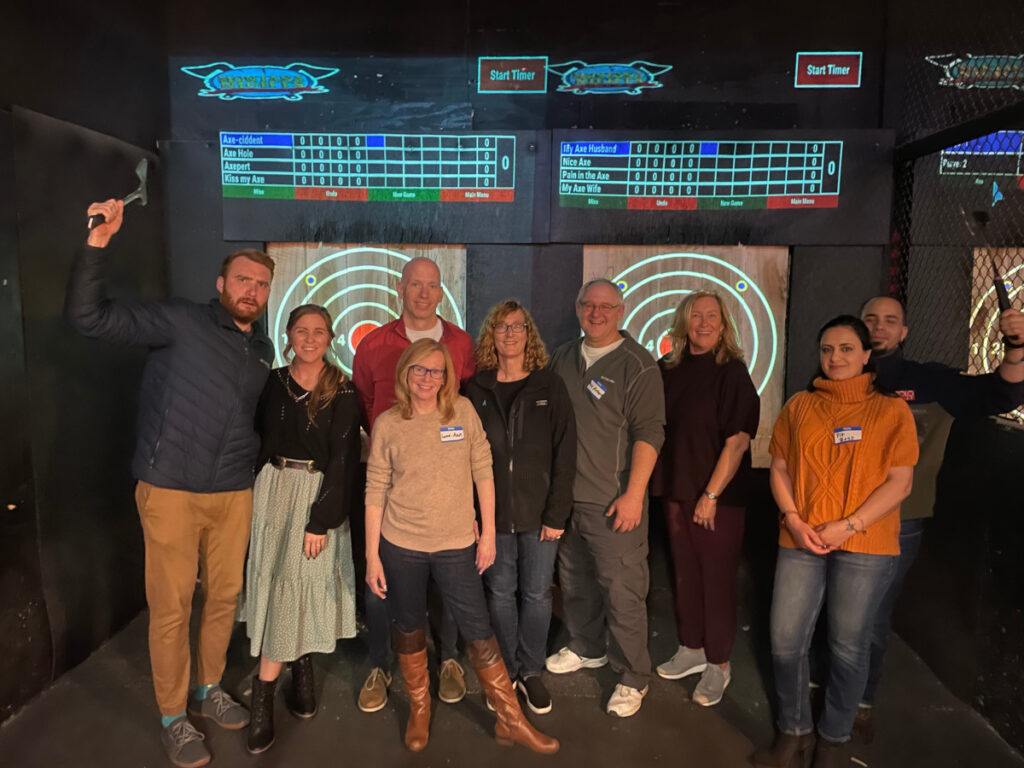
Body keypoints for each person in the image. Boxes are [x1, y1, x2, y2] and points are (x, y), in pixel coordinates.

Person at [65, 199, 274, 768]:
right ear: (221, 283)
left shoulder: (262, 349)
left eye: (261, 284)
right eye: (242, 280)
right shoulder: (180, 319)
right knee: (172, 607)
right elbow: (90, 318)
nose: (251, 290)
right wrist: (98, 244)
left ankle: (208, 690)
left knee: (224, 599)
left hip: (232, 492)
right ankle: (173, 717)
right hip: (171, 490)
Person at [364, 339, 559, 754]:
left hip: (456, 543)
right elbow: (375, 490)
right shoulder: (388, 423)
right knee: (409, 625)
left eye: (436, 371)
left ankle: (511, 718)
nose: (428, 378)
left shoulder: (463, 412)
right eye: (420, 369)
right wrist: (371, 555)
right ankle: (420, 708)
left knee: (479, 629)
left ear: (447, 377)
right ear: (405, 372)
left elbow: (483, 471)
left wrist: (487, 532)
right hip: (401, 545)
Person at [848, 296, 1024, 740]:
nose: (879, 327)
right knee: (834, 608)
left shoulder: (930, 381)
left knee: (871, 615)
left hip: (899, 519)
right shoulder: (840, 372)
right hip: (837, 515)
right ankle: (827, 689)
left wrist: (1017, 345)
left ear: (904, 332)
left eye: (890, 321)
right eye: (871, 319)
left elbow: (1002, 392)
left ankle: (859, 702)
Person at [753, 316, 918, 768]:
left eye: (847, 349)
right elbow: (780, 469)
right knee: (785, 641)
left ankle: (834, 741)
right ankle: (794, 734)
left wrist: (848, 524)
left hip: (865, 543)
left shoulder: (891, 411)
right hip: (800, 537)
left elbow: (900, 483)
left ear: (867, 354)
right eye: (827, 349)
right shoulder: (800, 405)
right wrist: (793, 518)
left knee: (848, 646)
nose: (835, 358)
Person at [351, 257, 475, 712]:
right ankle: (380, 665)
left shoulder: (462, 344)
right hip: (392, 489)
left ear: (442, 293)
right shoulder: (373, 344)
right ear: (399, 289)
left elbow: (464, 408)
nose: (423, 293)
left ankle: (451, 662)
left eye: (432, 286)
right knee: (381, 583)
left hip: (446, 490)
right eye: (415, 285)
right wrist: (394, 445)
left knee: (448, 583)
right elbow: (365, 398)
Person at [242, 304, 362, 754]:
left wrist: (320, 520)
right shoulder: (271, 382)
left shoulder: (343, 389)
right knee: (278, 586)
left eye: (318, 331)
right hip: (272, 491)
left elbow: (343, 459)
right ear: (288, 335)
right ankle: (302, 668)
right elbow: (254, 437)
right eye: (301, 331)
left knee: (297, 584)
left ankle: (263, 696)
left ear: (330, 337)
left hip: (315, 496)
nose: (309, 339)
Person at [546, 279, 666, 718]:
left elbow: (650, 432)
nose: (596, 313)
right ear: (578, 309)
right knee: (575, 582)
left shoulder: (638, 364)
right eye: (588, 305)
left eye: (605, 307)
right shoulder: (563, 356)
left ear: (621, 310)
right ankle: (586, 646)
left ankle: (634, 676)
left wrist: (634, 494)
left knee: (623, 593)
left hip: (614, 501)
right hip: (567, 500)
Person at [464, 300, 577, 715]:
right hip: (493, 517)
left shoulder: (550, 386)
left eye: (517, 327)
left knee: (536, 594)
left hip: (539, 515)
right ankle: (507, 671)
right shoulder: (475, 389)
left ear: (529, 335)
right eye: (501, 327)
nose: (509, 334)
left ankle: (531, 672)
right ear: (490, 336)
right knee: (498, 594)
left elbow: (566, 453)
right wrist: (472, 515)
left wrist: (556, 514)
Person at [651, 291, 759, 707]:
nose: (703, 322)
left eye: (711, 315)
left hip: (717, 498)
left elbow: (737, 441)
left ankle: (718, 664)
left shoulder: (732, 372)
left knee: (716, 580)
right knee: (684, 574)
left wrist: (711, 495)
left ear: (724, 323)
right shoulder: (669, 369)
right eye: (696, 315)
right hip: (676, 491)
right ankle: (692, 649)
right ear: (683, 322)